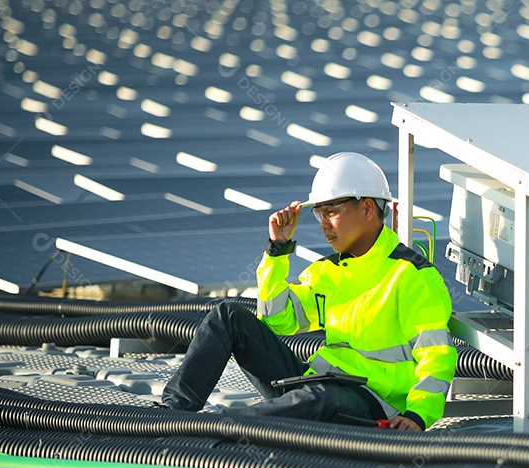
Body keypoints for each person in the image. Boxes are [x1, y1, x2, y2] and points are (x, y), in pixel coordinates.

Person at [161, 152, 457, 430]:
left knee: (319, 399)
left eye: (332, 212)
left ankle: (217, 426)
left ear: (367, 208)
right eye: (320, 215)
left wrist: (418, 415)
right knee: (228, 316)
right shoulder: (327, 271)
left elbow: (436, 354)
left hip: (374, 402)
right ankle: (174, 411)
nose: (324, 225)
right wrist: (278, 251)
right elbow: (279, 320)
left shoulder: (412, 275)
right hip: (320, 383)